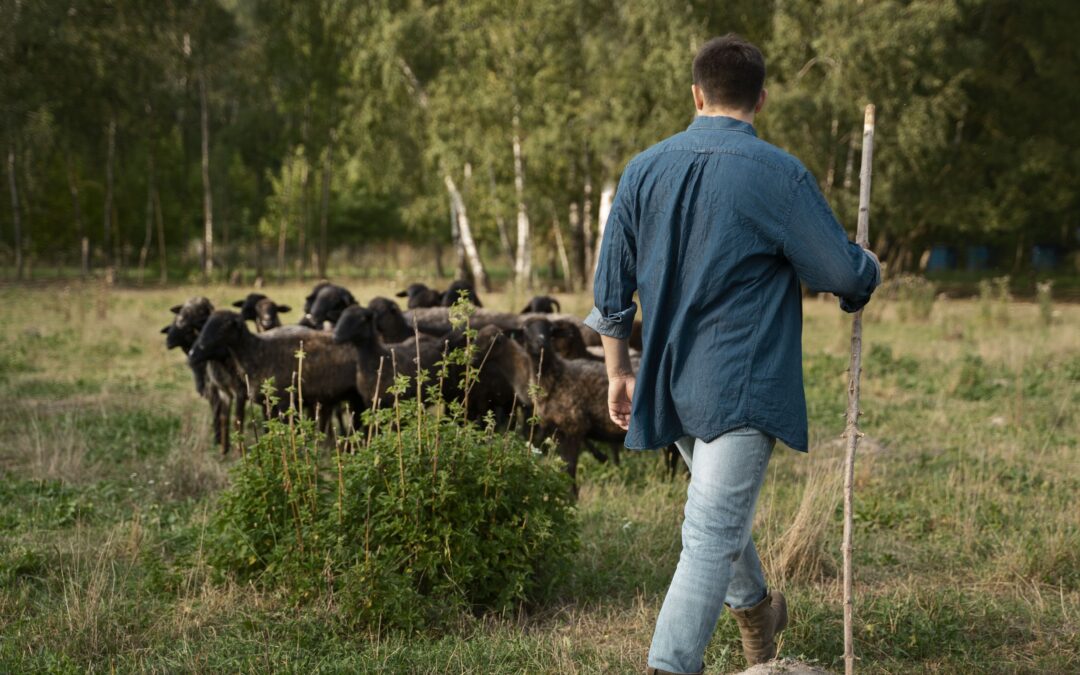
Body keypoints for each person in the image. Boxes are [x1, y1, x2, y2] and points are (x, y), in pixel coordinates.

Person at [583, 34, 881, 675]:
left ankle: (753, 612)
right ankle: (687, 654)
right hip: (740, 383)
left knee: (713, 517)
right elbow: (843, 275)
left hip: (666, 377)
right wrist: (870, 265)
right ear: (762, 99)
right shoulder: (779, 174)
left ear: (696, 95)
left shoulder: (641, 169)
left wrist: (617, 371)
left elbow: (610, 294)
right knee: (711, 532)